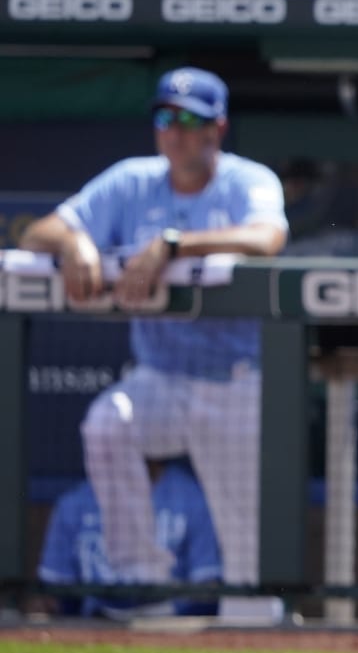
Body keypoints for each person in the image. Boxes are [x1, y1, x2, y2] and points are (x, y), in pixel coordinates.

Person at [19, 68, 289, 621]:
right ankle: (143, 579)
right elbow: (36, 232)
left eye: (189, 120)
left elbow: (267, 238)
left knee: (248, 566)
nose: (175, 132)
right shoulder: (132, 181)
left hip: (234, 382)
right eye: (165, 118)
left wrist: (171, 245)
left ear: (218, 128)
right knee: (106, 425)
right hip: (161, 378)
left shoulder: (245, 180)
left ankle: (259, 628)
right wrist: (74, 245)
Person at [37, 459, 221, 619]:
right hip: (97, 621)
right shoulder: (75, 502)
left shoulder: (191, 497)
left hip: (172, 623)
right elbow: (53, 592)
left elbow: (207, 587)